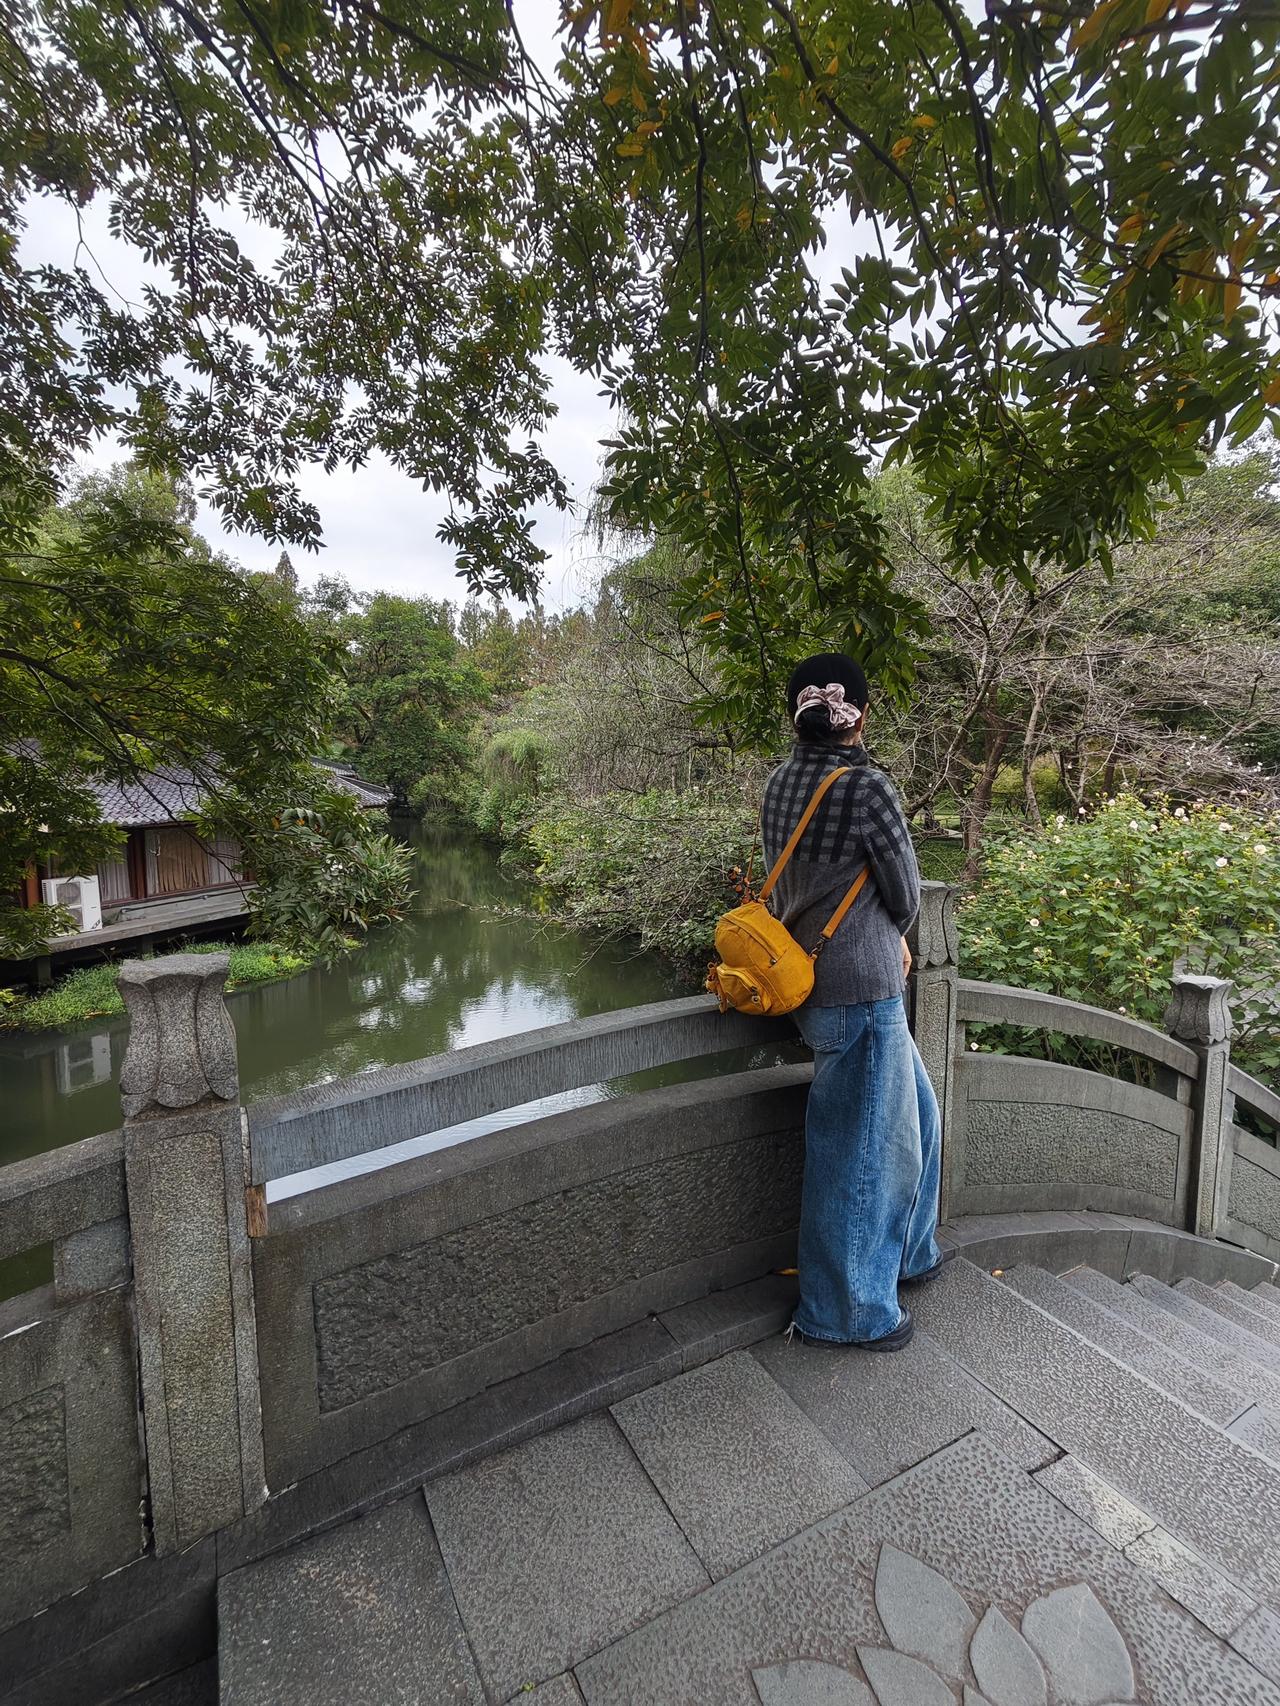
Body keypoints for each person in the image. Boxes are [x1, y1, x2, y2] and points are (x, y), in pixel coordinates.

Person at [761, 651, 952, 1351]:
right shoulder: (868, 789)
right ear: (861, 714)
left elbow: (787, 881)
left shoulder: (780, 782)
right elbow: (904, 891)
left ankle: (910, 1253)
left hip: (811, 979)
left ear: (797, 715)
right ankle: (845, 1312)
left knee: (917, 1117)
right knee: (860, 1153)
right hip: (862, 990)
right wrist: (896, 934)